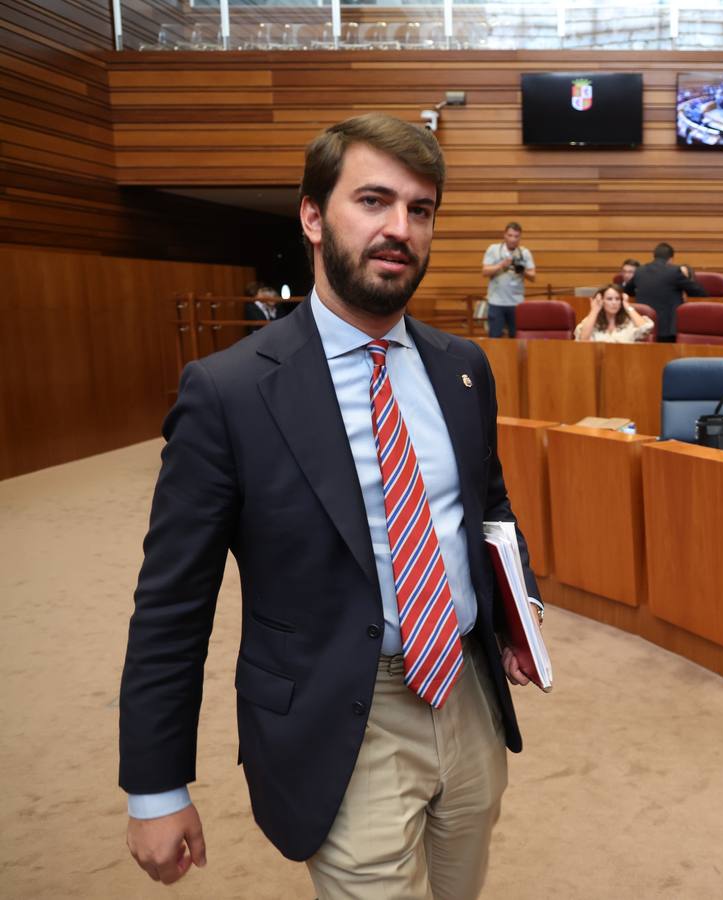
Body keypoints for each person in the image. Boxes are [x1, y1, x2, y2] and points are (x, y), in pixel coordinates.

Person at [119, 114, 545, 899]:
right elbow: (171, 605)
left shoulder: (462, 367)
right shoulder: (229, 392)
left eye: (420, 210)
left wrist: (515, 615)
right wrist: (156, 787)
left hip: (467, 693)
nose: (399, 229)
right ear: (313, 217)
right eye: (373, 201)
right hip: (342, 711)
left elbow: (485, 506)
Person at [623, 242, 707, 342]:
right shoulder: (674, 271)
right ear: (671, 259)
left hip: (643, 325)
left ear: (654, 256)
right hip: (667, 329)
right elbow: (697, 292)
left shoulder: (640, 271)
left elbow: (627, 292)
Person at [481, 221, 536, 337]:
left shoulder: (524, 253)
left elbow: (533, 276)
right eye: (510, 235)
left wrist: (522, 270)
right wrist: (501, 265)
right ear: (504, 235)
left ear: (520, 237)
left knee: (517, 338)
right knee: (494, 338)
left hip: (517, 303)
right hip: (496, 302)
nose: (513, 239)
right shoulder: (494, 249)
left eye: (516, 236)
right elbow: (485, 271)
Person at [574, 284, 654, 343]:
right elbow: (582, 340)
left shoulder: (629, 322)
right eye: (609, 299)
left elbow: (645, 328)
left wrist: (627, 305)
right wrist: (595, 310)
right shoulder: (591, 322)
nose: (614, 302)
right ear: (602, 301)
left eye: (617, 299)